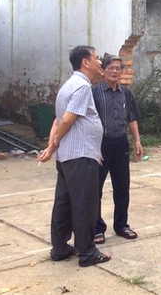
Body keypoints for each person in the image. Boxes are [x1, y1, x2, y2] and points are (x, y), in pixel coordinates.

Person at [37, 45, 111, 267]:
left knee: (65, 203)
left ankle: (60, 248)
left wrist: (51, 147)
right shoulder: (82, 87)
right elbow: (67, 120)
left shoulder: (67, 86)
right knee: (84, 204)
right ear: (85, 62)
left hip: (67, 158)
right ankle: (87, 252)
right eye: (97, 58)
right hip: (80, 157)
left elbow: (57, 120)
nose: (100, 62)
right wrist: (56, 142)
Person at [91, 54, 143, 244]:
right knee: (95, 188)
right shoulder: (94, 93)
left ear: (122, 72)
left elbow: (132, 117)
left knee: (122, 187)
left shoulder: (126, 93)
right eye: (111, 68)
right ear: (103, 71)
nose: (114, 71)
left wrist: (137, 140)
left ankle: (121, 225)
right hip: (100, 144)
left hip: (120, 143)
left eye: (118, 68)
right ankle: (97, 229)